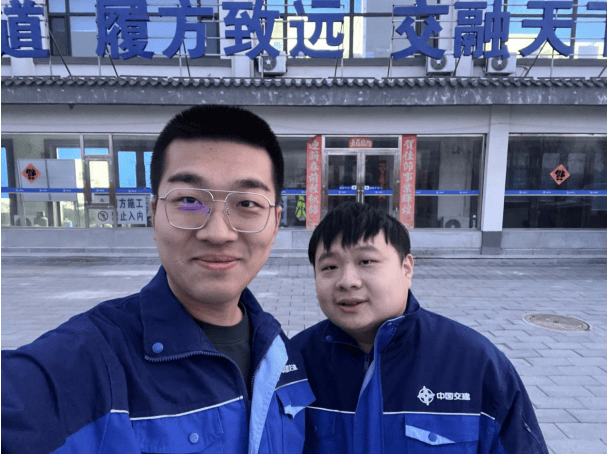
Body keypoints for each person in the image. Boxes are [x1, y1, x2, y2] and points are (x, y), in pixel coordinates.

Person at [2, 105, 315, 454]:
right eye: (189, 200)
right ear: (155, 214)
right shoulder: (90, 360)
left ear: (275, 222)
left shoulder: (279, 350)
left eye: (246, 203)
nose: (217, 233)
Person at [291, 202, 548, 454]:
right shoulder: (293, 364)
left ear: (407, 268)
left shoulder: (476, 363)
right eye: (330, 267)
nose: (347, 281)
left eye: (366, 261)